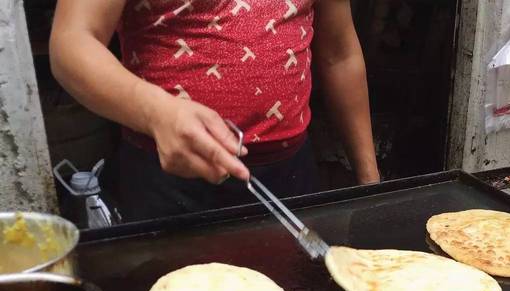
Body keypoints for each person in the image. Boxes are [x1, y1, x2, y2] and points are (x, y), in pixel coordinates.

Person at [49, 0, 380, 221]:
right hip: (168, 176)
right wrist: (155, 112)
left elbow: (340, 54)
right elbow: (71, 42)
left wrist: (371, 183)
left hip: (290, 173)